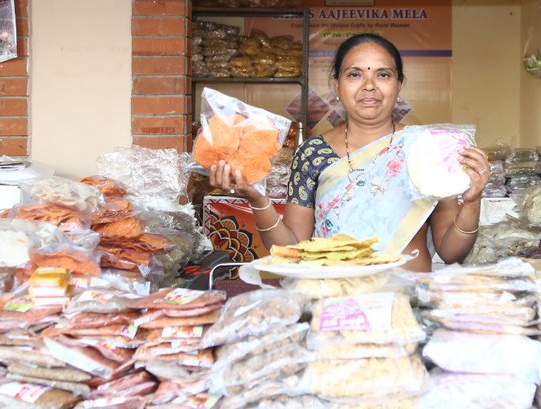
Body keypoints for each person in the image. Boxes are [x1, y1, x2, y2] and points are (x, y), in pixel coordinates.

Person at [208, 32, 491, 271]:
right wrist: (258, 200)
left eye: (383, 74)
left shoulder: (425, 149)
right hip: (336, 304)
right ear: (336, 85)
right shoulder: (314, 153)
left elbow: (451, 252)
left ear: (399, 84)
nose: (369, 85)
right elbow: (291, 248)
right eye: (355, 74)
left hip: (409, 300)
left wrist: (474, 200)